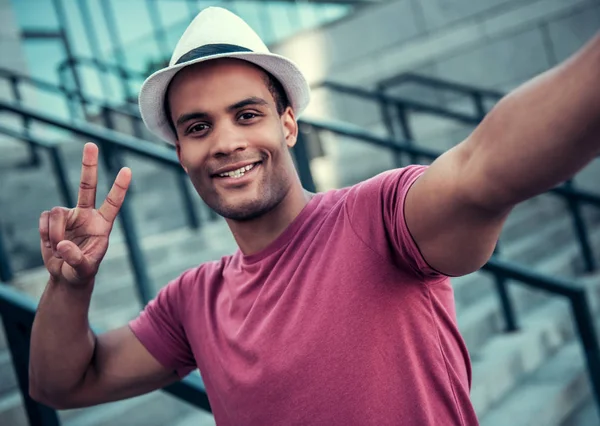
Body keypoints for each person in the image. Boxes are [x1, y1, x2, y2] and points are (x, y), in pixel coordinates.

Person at [28, 6, 600, 426]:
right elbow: (61, 384)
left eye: (246, 114)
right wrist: (69, 285)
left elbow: (484, 170)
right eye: (198, 127)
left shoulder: (377, 218)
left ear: (289, 124)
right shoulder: (192, 301)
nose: (225, 142)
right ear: (180, 152)